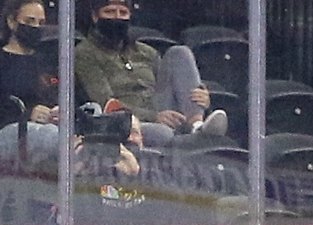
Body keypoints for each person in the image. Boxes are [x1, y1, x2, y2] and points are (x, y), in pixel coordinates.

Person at [73, 0, 224, 150]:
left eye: (123, 13)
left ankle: (197, 125)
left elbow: (167, 88)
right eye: (110, 12)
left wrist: (202, 101)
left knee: (179, 52)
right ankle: (192, 135)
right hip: (128, 122)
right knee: (162, 133)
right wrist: (154, 117)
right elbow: (106, 103)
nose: (117, 17)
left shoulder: (146, 52)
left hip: (161, 111)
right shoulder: (85, 53)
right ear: (95, 16)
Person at [0, 0, 72, 163]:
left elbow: (65, 93)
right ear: (12, 22)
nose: (36, 27)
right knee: (52, 135)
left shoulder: (48, 61)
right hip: (10, 129)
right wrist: (27, 114)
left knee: (93, 111)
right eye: (30, 21)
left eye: (41, 23)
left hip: (52, 126)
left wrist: (59, 111)